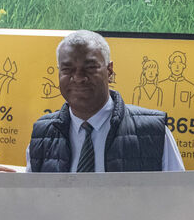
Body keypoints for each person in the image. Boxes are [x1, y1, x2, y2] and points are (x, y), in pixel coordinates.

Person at [27, 30, 184, 172]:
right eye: (67, 69)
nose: (79, 77)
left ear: (109, 71)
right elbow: (33, 194)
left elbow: (179, 192)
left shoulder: (153, 133)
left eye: (90, 67)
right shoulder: (42, 136)